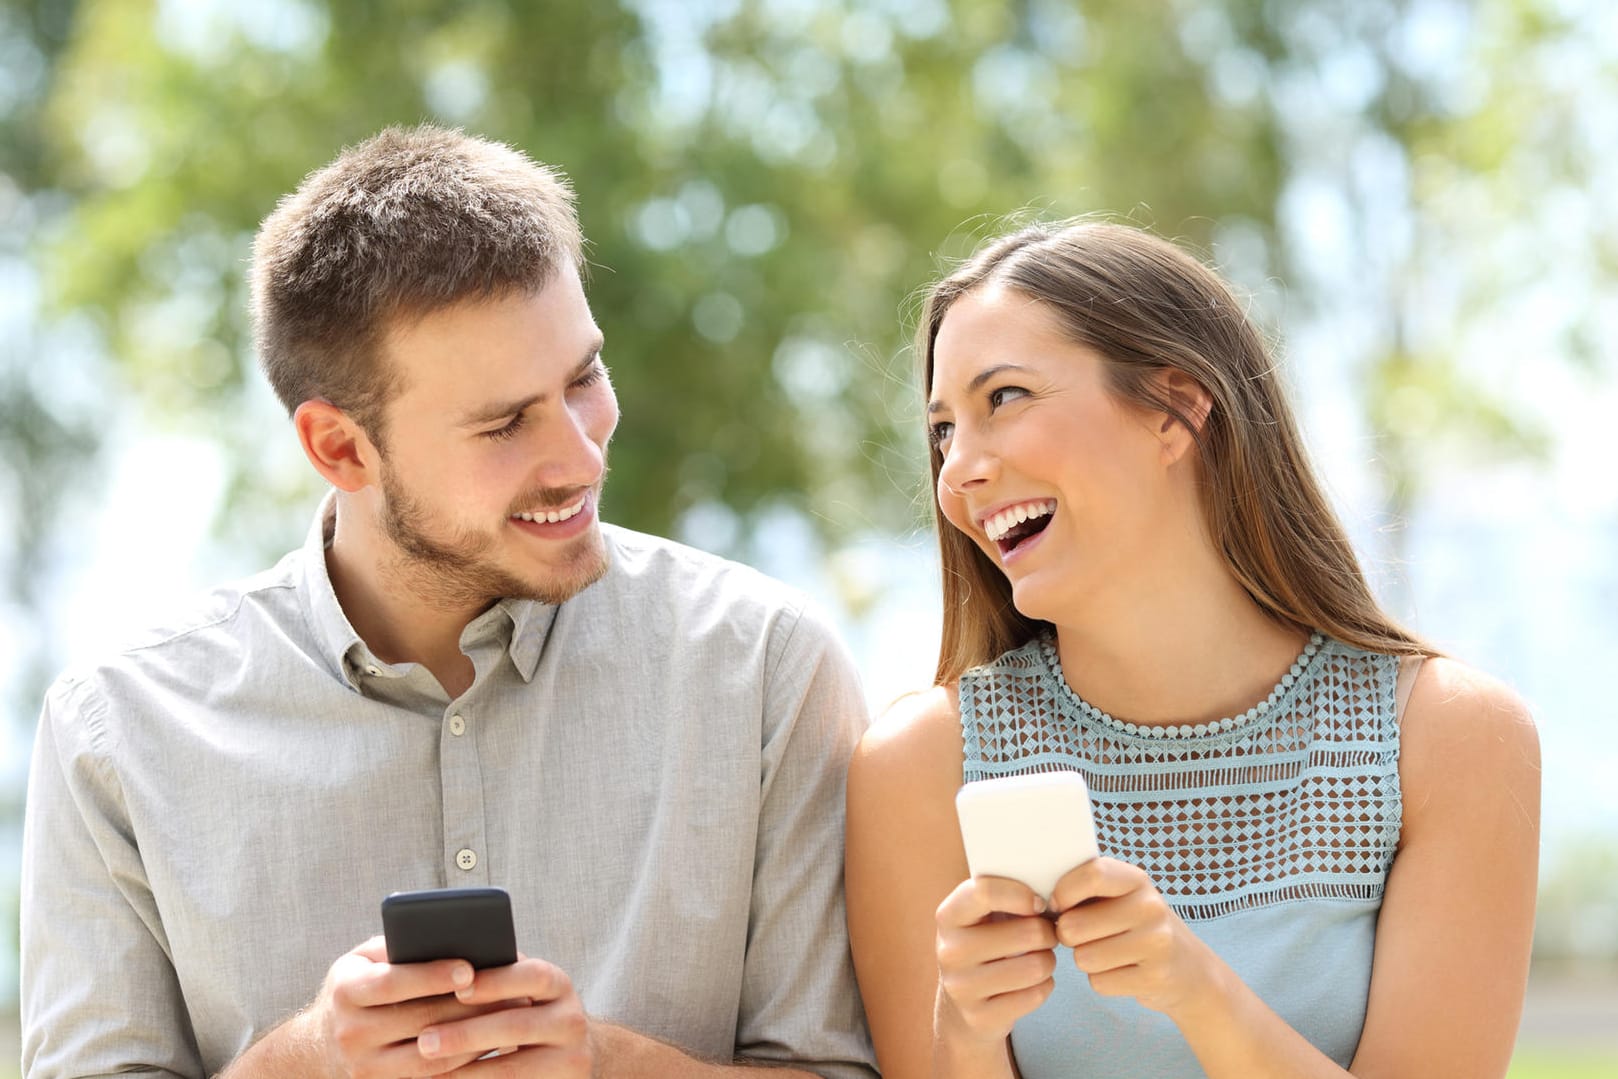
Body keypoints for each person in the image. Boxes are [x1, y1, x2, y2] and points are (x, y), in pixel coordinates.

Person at [22, 125, 875, 1079]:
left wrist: (599, 1063)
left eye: (584, 377)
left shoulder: (765, 671)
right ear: (340, 448)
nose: (581, 457)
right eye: (505, 423)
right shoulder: (118, 733)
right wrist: (308, 1061)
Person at [845, 220, 1541, 1078]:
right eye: (945, 429)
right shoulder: (919, 765)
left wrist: (1197, 990)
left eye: (1006, 398)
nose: (958, 472)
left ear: (1175, 408)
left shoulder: (1450, 738)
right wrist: (964, 1033)